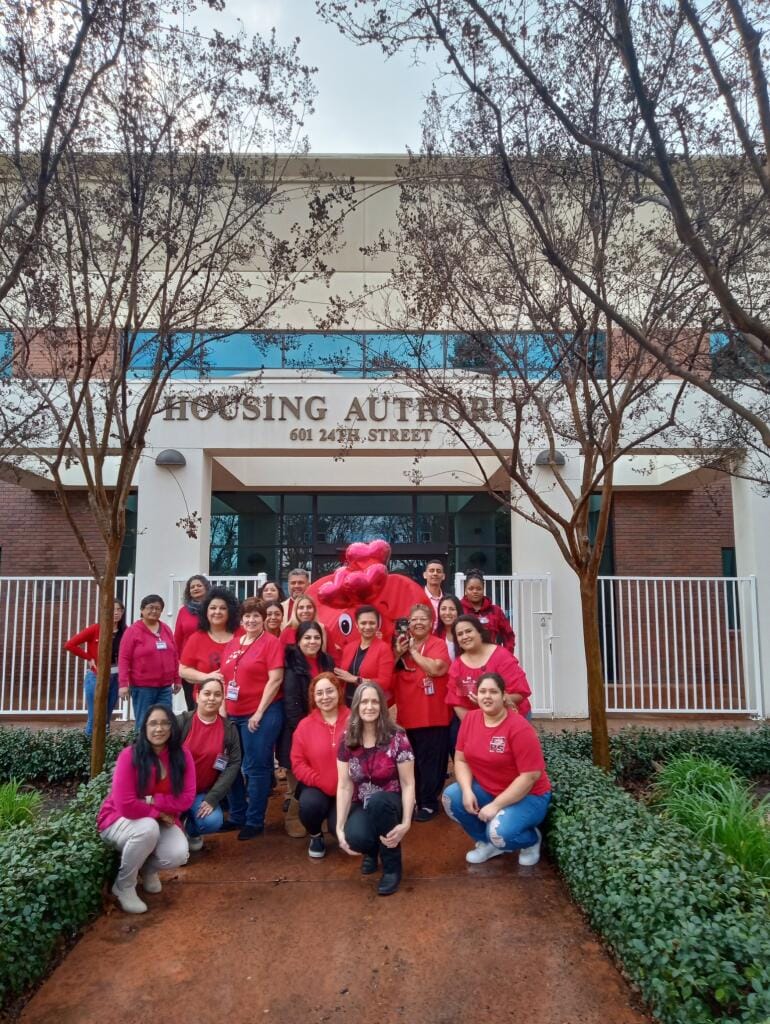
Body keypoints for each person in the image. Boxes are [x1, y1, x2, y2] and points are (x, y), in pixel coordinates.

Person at [442, 672, 551, 865]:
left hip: (529, 796)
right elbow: (461, 760)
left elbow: (530, 777)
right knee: (452, 798)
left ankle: (530, 840)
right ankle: (488, 844)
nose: (487, 696)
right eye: (482, 691)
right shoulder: (470, 720)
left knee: (499, 832)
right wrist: (467, 791)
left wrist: (495, 805)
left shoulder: (519, 728)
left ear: (503, 696)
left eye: (493, 691)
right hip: (489, 789)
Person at [98, 704, 195, 914]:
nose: (158, 729)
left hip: (158, 819)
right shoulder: (129, 756)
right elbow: (125, 804)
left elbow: (186, 799)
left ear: (172, 727)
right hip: (117, 820)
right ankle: (123, 885)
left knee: (179, 853)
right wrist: (157, 812)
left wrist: (150, 800)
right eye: (153, 723)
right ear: (144, 728)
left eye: (164, 723)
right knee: (148, 828)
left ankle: (148, 869)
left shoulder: (182, 756)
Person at [336, 682, 415, 896]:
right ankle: (371, 851)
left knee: (379, 801)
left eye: (374, 701)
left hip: (391, 803)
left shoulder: (397, 738)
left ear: (382, 706)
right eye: (364, 702)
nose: (369, 706)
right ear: (356, 706)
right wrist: (339, 827)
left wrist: (407, 822)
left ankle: (391, 866)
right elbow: (344, 785)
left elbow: (408, 783)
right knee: (354, 836)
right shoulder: (347, 740)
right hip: (362, 803)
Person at [220, 597, 284, 839]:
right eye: (247, 616)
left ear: (264, 618)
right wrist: (224, 710)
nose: (251, 619)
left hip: (262, 714)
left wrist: (258, 712)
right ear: (241, 618)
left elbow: (275, 679)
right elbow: (226, 679)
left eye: (256, 615)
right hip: (232, 714)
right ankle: (237, 815)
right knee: (230, 765)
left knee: (256, 767)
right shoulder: (233, 644)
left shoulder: (271, 643)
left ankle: (255, 821)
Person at [392, 604, 451, 823]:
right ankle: (415, 799)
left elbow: (437, 669)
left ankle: (429, 802)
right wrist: (399, 652)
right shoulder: (401, 645)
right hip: (408, 715)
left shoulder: (438, 644)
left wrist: (413, 651)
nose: (418, 623)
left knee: (432, 763)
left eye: (423, 619)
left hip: (432, 715)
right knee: (411, 762)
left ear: (431, 623)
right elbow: (388, 670)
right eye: (413, 619)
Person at [279, 621, 335, 838]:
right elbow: (292, 704)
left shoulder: (326, 660)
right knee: (298, 781)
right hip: (298, 731)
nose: (313, 642)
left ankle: (316, 817)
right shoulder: (292, 662)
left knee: (320, 774)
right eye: (307, 638)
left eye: (316, 638)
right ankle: (293, 817)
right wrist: (306, 735)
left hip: (325, 726)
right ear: (299, 641)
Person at [176, 678, 242, 851]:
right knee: (174, 846)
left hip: (202, 794)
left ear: (222, 700)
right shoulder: (181, 722)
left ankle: (191, 830)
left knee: (213, 822)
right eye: (207, 693)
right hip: (175, 792)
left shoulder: (228, 730)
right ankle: (176, 830)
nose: (211, 698)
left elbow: (233, 764)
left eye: (217, 694)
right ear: (197, 696)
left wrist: (213, 797)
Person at [291, 671, 350, 859]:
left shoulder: (354, 720)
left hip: (349, 788)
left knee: (341, 831)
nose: (325, 697)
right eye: (319, 693)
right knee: (309, 805)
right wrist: (319, 780)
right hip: (318, 787)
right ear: (313, 697)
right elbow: (297, 763)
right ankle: (316, 836)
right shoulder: (304, 726)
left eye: (329, 691)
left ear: (339, 692)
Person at [64, 599, 126, 737]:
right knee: (95, 717)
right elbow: (70, 645)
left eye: (119, 610)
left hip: (116, 678)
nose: (115, 613)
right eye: (112, 609)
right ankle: (88, 750)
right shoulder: (96, 629)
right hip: (96, 677)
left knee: (106, 718)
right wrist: (88, 658)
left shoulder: (125, 631)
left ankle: (104, 750)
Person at [118, 594, 179, 731]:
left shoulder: (166, 630)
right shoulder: (132, 631)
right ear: (142, 610)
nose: (154, 611)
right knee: (144, 723)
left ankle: (162, 752)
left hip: (165, 687)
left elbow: (174, 655)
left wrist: (177, 679)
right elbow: (124, 658)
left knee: (164, 722)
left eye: (158, 608)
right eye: (150, 607)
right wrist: (123, 684)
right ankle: (143, 751)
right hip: (142, 687)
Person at [179, 587, 239, 703]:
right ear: (206, 611)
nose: (217, 612)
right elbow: (183, 670)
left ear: (230, 611)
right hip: (207, 703)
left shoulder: (242, 634)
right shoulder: (196, 638)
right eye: (212, 608)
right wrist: (207, 677)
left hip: (240, 704)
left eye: (223, 608)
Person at [334, 605, 395, 706]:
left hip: (370, 704)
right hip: (347, 703)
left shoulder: (384, 648)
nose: (367, 627)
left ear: (377, 625)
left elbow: (384, 683)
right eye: (363, 623)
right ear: (357, 625)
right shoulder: (349, 647)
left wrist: (355, 679)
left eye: (372, 623)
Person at [174, 575, 211, 709]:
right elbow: (177, 638)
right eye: (192, 587)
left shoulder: (213, 609)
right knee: (192, 704)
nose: (195, 588)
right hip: (189, 664)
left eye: (199, 585)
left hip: (210, 662)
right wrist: (177, 663)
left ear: (206, 587)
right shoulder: (183, 611)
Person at [460, 570, 516, 652]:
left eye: (478, 588)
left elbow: (508, 635)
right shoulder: (458, 609)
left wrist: (506, 655)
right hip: (466, 658)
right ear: (465, 589)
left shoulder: (496, 611)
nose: (475, 591)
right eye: (471, 589)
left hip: (491, 658)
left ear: (483, 588)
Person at [436, 595, 463, 661]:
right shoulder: (435, 635)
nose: (447, 613)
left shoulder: (466, 633)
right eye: (443, 609)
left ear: (458, 611)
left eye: (452, 609)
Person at [422, 559, 446, 631]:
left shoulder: (448, 600)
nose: (435, 574)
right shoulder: (417, 597)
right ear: (425, 575)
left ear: (443, 576)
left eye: (438, 571)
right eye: (431, 571)